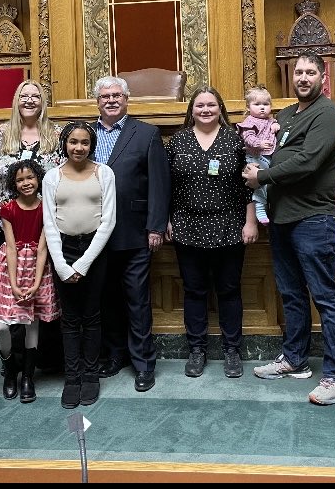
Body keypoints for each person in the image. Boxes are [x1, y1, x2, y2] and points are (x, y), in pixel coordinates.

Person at [243, 51, 335, 406]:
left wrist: (262, 176)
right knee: (291, 294)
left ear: (323, 77)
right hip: (281, 218)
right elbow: (272, 152)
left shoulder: (329, 114)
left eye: (310, 72)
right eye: (298, 72)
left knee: (326, 298)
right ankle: (294, 360)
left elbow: (307, 162)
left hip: (314, 219)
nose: (303, 78)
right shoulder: (286, 115)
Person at [167, 87, 258, 379]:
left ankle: (233, 351)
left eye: (211, 105)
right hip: (186, 226)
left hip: (230, 227)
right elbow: (166, 186)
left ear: (220, 108)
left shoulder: (237, 140)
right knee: (194, 291)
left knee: (229, 291)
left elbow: (250, 186)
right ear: (190, 110)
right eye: (199, 105)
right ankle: (197, 350)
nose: (205, 110)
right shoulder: (177, 142)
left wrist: (251, 221)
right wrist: (167, 219)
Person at [0, 80, 65, 374]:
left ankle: (37, 362)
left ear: (43, 102)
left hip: (43, 225)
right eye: (24, 96)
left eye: (35, 96)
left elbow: (63, 179)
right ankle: (11, 363)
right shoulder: (3, 133)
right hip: (8, 226)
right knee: (10, 298)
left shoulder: (56, 134)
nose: (30, 100)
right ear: (16, 100)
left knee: (38, 295)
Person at [91, 76, 170, 393]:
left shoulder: (147, 133)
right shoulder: (85, 134)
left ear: (127, 99)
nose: (111, 100)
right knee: (106, 299)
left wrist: (155, 225)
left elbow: (159, 183)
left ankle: (144, 364)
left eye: (116, 95)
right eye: (105, 96)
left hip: (134, 232)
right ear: (97, 101)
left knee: (137, 301)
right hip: (94, 234)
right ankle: (115, 355)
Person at [43, 122, 116, 410]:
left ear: (92, 145)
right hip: (62, 248)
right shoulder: (52, 177)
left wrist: (84, 263)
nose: (78, 147)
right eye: (73, 142)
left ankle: (90, 377)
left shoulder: (104, 173)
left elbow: (108, 220)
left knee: (92, 315)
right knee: (70, 319)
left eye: (84, 142)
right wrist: (62, 265)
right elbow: (49, 222)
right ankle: (72, 379)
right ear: (65, 143)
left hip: (94, 250)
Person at [0, 160, 60, 403]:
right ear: (14, 183)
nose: (26, 183)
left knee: (31, 323)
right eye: (20, 180)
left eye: (30, 178)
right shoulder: (8, 209)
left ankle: (27, 378)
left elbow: (43, 249)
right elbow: (11, 247)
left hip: (36, 268)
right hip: (9, 268)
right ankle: (10, 372)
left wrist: (35, 283)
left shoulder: (47, 208)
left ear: (38, 179)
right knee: (2, 325)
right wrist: (12, 283)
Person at [235, 85, 281, 225]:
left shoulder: (270, 120)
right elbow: (248, 137)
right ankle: (259, 208)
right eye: (257, 104)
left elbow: (274, 126)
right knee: (260, 183)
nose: (262, 108)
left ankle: (266, 206)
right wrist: (258, 143)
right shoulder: (249, 122)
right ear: (248, 107)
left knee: (269, 183)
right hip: (255, 157)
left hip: (268, 157)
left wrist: (275, 126)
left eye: (266, 104)